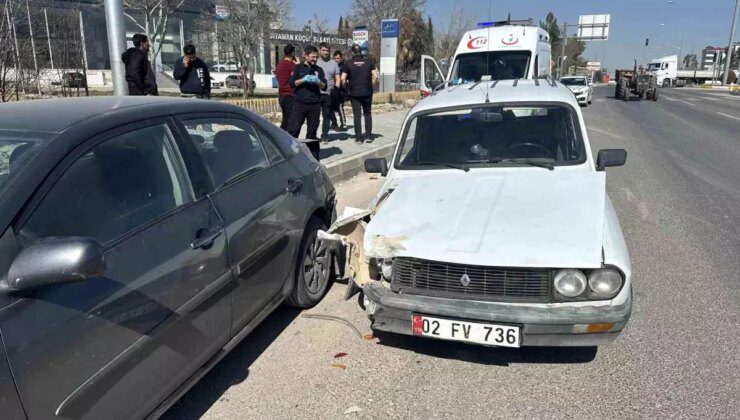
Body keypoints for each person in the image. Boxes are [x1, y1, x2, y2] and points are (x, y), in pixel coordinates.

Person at [288, 45, 326, 160]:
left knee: (312, 131)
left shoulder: (319, 70)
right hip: (299, 103)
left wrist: (318, 81)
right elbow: (291, 83)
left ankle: (313, 157)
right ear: (306, 55)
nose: (314, 59)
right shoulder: (298, 68)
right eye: (312, 57)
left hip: (314, 104)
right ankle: (290, 154)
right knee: (293, 130)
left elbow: (324, 86)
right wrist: (303, 80)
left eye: (316, 57)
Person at [342, 44, 378, 143]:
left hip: (354, 93)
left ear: (352, 52)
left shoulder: (348, 63)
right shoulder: (369, 62)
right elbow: (375, 76)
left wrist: (346, 88)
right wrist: (370, 85)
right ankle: (369, 136)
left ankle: (358, 138)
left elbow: (343, 78)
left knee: (357, 115)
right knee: (367, 113)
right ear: (361, 51)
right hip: (367, 92)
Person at [316, 42, 341, 143]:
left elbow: (337, 78)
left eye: (327, 51)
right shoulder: (316, 62)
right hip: (316, 94)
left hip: (328, 94)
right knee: (314, 116)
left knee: (327, 116)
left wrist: (336, 89)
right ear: (319, 50)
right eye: (324, 50)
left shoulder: (334, 63)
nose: (326, 52)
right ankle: (312, 135)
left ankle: (324, 135)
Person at [275, 44, 300, 132]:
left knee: (285, 118)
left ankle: (281, 135)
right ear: (292, 53)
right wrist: (298, 64)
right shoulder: (292, 65)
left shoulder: (279, 65)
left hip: (281, 95)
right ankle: (286, 138)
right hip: (290, 95)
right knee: (291, 120)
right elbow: (298, 77)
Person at [331, 50, 348, 130]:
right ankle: (334, 123)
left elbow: (343, 79)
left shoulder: (343, 67)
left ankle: (343, 123)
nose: (336, 60)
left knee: (340, 106)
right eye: (335, 58)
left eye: (338, 58)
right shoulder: (332, 66)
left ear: (341, 58)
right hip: (332, 89)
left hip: (341, 90)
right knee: (330, 107)